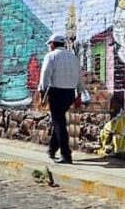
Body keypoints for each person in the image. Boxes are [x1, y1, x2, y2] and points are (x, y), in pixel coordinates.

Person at [38, 34, 83, 164]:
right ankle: (52, 150)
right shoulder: (73, 57)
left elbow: (45, 75)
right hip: (69, 94)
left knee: (59, 123)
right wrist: (79, 94)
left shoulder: (51, 56)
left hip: (56, 92)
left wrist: (42, 94)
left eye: (49, 44)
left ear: (53, 43)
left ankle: (66, 154)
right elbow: (80, 76)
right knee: (58, 121)